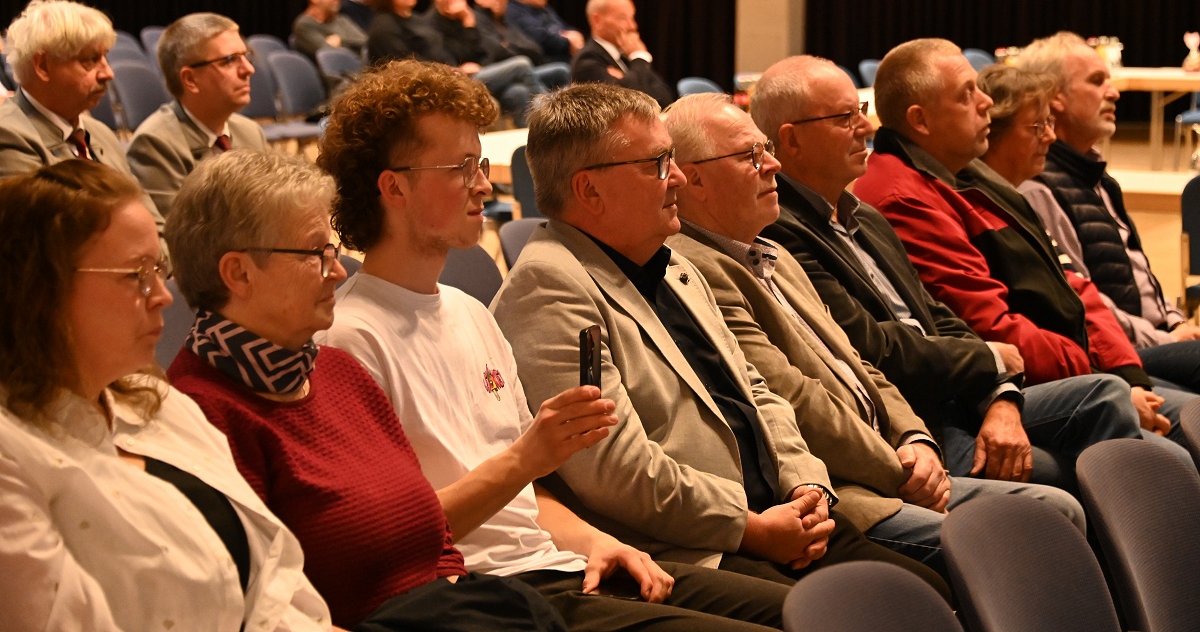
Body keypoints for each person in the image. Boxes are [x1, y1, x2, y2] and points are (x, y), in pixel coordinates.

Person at [317, 60, 799, 630]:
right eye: (461, 168)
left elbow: (530, 496)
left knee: (802, 612)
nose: (483, 184)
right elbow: (392, 541)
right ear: (394, 186)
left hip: (559, 564)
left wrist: (599, 542)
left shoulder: (471, 312)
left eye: (481, 164)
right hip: (483, 593)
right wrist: (529, 456)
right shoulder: (349, 340)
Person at [490, 81, 952, 598]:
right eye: (657, 163)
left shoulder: (674, 265)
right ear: (589, 190)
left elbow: (759, 394)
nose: (678, 177)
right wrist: (752, 528)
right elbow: (616, 471)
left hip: (778, 515)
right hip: (695, 549)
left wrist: (807, 484)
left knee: (928, 591)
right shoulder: (548, 288)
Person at [662, 93, 1085, 571]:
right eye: (751, 155)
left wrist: (915, 438)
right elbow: (792, 396)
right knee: (1049, 517)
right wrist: (899, 469)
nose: (773, 165)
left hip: (899, 457)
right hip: (847, 489)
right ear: (694, 178)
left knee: (1062, 500)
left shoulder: (774, 253)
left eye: (767, 150)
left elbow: (859, 364)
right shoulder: (696, 270)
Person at [164, 149, 576, 631]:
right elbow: (263, 610)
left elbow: (434, 540)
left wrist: (459, 597)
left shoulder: (337, 371)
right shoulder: (202, 414)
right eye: (316, 255)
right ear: (239, 273)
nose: (338, 271)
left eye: (333, 251)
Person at [750, 56, 1143, 493]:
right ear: (792, 139)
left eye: (860, 111)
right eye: (845, 118)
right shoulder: (780, 232)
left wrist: (999, 395)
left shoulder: (866, 217)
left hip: (963, 392)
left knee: (1107, 399)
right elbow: (869, 346)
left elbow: (937, 314)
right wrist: (992, 360)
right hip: (913, 421)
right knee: (1075, 474)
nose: (864, 128)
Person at [0, 159, 330, 631]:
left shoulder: (157, 402)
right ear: (43, 289)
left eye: (159, 270)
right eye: (136, 274)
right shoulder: (12, 454)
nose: (163, 296)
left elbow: (274, 577)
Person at [853, 38, 1196, 457]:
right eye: (967, 94)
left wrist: (1126, 371)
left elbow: (1071, 285)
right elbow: (988, 326)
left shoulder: (965, 178)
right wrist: (1101, 368)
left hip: (1074, 363)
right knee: (1154, 423)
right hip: (1019, 382)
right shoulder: (906, 196)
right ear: (920, 120)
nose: (985, 103)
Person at [1016, 32, 1200, 391]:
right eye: (1097, 81)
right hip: (1118, 353)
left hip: (1153, 338)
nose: (1113, 92)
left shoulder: (1098, 178)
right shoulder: (1039, 189)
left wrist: (1176, 321)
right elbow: (1082, 303)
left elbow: (1141, 276)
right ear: (1055, 98)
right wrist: (1166, 339)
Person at [0, 0, 166, 233]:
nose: (108, 73)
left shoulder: (100, 134)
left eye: (105, 57)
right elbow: (50, 241)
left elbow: (153, 224)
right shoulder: (7, 135)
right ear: (42, 66)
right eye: (91, 60)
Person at [127, 12, 268, 219]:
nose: (248, 69)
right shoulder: (156, 143)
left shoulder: (250, 131)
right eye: (229, 60)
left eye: (246, 57)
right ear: (190, 79)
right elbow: (174, 234)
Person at [422, 0, 549, 127]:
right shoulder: (428, 25)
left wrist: (469, 24)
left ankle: (533, 138)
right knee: (521, 64)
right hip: (456, 80)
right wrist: (460, 67)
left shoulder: (467, 18)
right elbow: (441, 60)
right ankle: (551, 117)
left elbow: (482, 52)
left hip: (482, 73)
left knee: (519, 92)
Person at [571, 0, 673, 108]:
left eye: (632, 18)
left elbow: (665, 97)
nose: (632, 26)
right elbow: (627, 104)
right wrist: (639, 57)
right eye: (623, 18)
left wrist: (626, 77)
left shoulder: (626, 57)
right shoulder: (587, 60)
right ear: (597, 20)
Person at [473, 0, 571, 89]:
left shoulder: (505, 21)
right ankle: (545, 102)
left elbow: (535, 49)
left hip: (517, 73)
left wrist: (508, 46)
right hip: (491, 74)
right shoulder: (475, 19)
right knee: (521, 65)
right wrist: (511, 48)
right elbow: (497, 52)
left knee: (561, 70)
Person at [505, 0, 584, 64]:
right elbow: (542, 39)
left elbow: (565, 28)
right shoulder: (514, 12)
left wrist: (576, 35)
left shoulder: (545, 9)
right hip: (543, 62)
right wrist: (568, 42)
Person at [292, 0, 368, 61]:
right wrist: (354, 46)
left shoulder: (341, 20)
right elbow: (330, 55)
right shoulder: (304, 25)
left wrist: (341, 41)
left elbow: (366, 43)